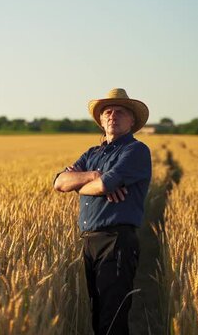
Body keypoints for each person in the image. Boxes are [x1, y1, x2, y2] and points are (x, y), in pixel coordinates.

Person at [53, 88, 151, 335]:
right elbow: (59, 183)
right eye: (108, 111)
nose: (112, 116)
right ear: (101, 120)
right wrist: (94, 176)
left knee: (113, 316)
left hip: (116, 240)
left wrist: (84, 184)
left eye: (120, 111)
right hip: (89, 241)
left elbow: (105, 185)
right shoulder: (91, 154)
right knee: (97, 312)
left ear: (132, 121)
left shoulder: (136, 151)